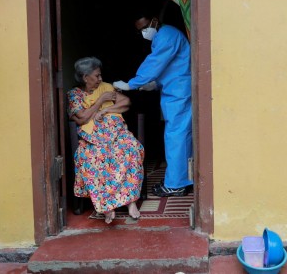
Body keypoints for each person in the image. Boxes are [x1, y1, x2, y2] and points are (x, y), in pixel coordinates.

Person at [113, 14, 193, 197]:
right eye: (140, 30)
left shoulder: (166, 35)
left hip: (179, 93)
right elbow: (172, 67)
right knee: (181, 137)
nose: (144, 32)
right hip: (176, 92)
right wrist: (154, 84)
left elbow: (156, 61)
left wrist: (132, 83)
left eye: (145, 27)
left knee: (177, 138)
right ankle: (183, 179)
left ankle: (176, 185)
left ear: (155, 21)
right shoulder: (165, 36)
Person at [67, 57, 144, 224]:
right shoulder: (75, 95)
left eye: (100, 75)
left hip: (116, 132)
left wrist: (105, 110)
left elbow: (126, 102)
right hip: (92, 137)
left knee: (132, 148)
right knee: (91, 157)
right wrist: (100, 101)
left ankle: (130, 202)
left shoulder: (106, 87)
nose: (100, 79)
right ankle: (106, 206)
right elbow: (82, 117)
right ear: (85, 77)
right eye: (97, 76)